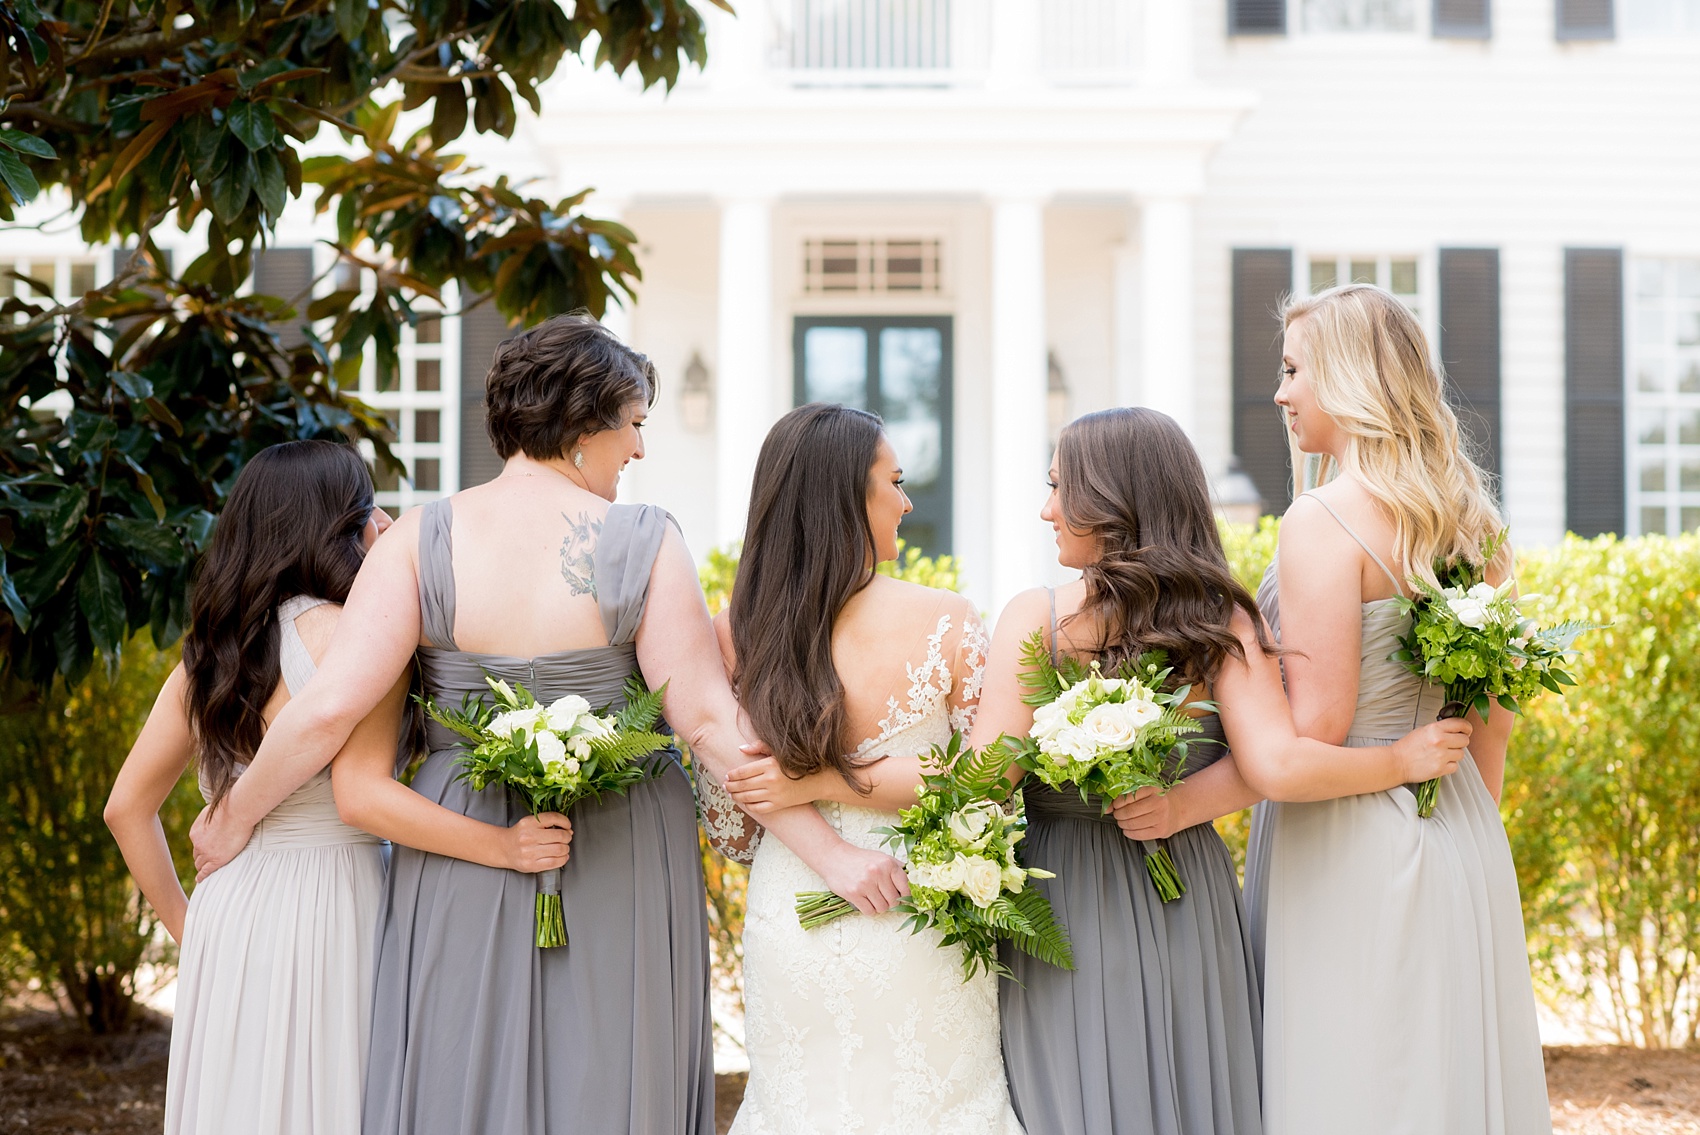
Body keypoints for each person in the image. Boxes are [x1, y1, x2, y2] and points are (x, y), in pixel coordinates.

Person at [188, 316, 901, 1135]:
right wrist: (834, 852)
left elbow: (329, 707)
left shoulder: (420, 535)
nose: (638, 450)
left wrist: (232, 818)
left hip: (458, 832)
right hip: (617, 837)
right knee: (612, 1066)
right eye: (634, 424)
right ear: (584, 423)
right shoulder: (642, 537)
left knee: (461, 1060)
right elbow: (708, 722)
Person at [962, 407, 1473, 1135]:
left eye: (1057, 488)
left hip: (1065, 902)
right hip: (1183, 893)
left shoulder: (1035, 620)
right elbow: (1272, 763)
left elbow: (980, 786)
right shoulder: (1220, 621)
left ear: (1108, 501)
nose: (1046, 510)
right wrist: (1396, 760)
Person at [1245, 282, 1551, 1133]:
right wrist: (1467, 838)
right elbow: (1493, 715)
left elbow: (1316, 728)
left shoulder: (1320, 521)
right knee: (1438, 1080)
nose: (1281, 393)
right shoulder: (1475, 523)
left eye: (1295, 369)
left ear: (1347, 379)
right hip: (1459, 826)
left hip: (1341, 837)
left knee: (1347, 1079)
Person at [712, 403, 1022, 1133]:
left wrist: (812, 785)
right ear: (847, 496)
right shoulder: (948, 618)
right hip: (920, 900)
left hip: (790, 903)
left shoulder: (734, 629)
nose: (908, 500)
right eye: (895, 480)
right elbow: (987, 786)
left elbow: (732, 824)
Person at [105, 440, 401, 1135]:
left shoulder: (209, 654)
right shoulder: (357, 636)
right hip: (343, 896)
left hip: (231, 904)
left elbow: (126, 807)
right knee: (337, 1094)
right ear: (340, 524)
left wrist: (190, 928)